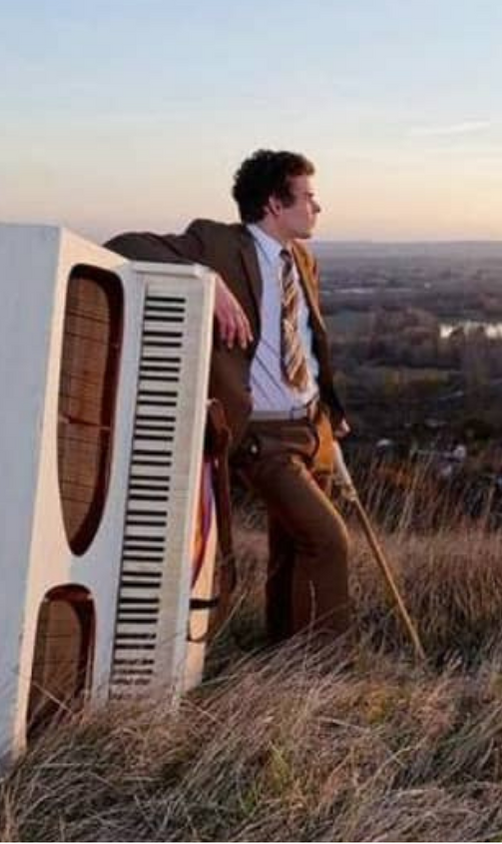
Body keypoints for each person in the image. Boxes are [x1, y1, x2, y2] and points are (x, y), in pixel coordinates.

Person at [105, 149, 352, 644]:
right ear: (273, 205)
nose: (317, 207)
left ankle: (286, 657)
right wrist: (206, 280)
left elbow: (305, 341)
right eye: (307, 197)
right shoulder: (217, 243)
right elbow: (122, 245)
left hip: (313, 427)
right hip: (261, 435)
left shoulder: (302, 259)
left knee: (294, 550)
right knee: (329, 542)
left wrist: (329, 417)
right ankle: (329, 669)